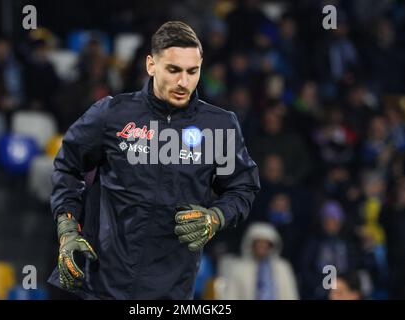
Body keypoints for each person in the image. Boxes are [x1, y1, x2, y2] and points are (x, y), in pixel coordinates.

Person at [47, 21, 260, 300]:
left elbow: (242, 188)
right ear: (151, 65)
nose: (183, 82)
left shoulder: (220, 126)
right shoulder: (112, 114)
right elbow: (67, 166)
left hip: (172, 291)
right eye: (173, 70)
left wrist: (217, 216)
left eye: (192, 71)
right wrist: (67, 227)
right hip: (102, 284)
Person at [217, 222, 299, 300]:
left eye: (265, 243)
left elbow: (290, 294)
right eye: (258, 243)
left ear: (271, 245)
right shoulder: (239, 268)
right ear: (251, 244)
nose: (262, 246)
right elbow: (231, 296)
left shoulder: (283, 267)